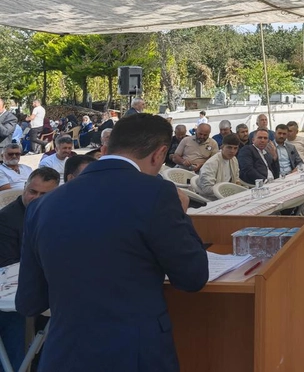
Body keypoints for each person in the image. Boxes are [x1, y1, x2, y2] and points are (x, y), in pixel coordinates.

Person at [17, 114, 208, 372]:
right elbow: (192, 276)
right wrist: (182, 214)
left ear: (108, 147)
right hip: (134, 355)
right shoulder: (157, 194)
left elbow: (30, 302)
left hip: (63, 354)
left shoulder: (41, 206)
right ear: (159, 154)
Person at [0, 167, 59, 369]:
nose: (36, 198)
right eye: (33, 191)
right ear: (25, 187)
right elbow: (8, 263)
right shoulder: (7, 219)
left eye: (44, 194)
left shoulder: (55, 214)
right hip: (13, 290)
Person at [192, 134, 242, 198]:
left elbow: (236, 180)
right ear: (222, 147)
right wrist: (226, 191)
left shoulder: (234, 159)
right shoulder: (211, 163)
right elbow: (207, 189)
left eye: (235, 148)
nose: (232, 151)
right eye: (229, 147)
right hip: (212, 198)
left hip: (228, 195)